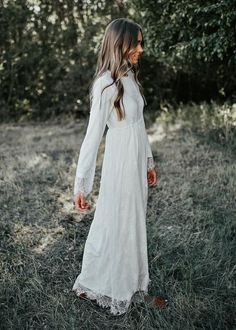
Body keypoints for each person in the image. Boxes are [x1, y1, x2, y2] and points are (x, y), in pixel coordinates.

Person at [72, 17, 168, 316]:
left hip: (136, 160)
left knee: (131, 223)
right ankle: (117, 289)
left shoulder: (129, 77)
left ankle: (132, 286)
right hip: (120, 164)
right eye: (136, 42)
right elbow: (92, 138)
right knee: (118, 223)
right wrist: (81, 185)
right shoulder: (106, 84)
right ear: (120, 43)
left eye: (141, 42)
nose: (141, 48)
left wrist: (149, 161)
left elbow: (139, 126)